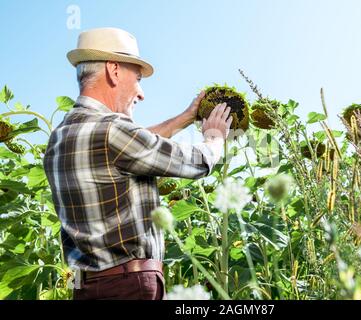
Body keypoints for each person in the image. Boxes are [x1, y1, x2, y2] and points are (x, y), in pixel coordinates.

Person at [43, 27, 232, 300]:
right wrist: (215, 138)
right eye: (138, 78)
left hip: (84, 287)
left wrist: (185, 117)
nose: (141, 93)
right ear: (114, 71)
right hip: (129, 285)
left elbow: (132, 147)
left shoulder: (60, 137)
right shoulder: (111, 131)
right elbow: (194, 163)